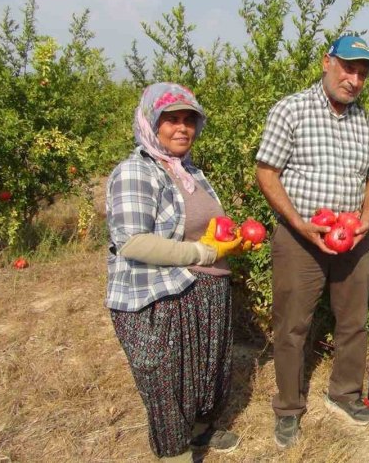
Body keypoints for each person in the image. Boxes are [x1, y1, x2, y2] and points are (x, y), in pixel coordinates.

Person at [255, 34, 369, 448]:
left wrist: (367, 219)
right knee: (292, 324)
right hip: (301, 237)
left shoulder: (367, 121)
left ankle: (345, 393)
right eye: (347, 67)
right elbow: (267, 172)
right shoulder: (292, 109)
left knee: (353, 320)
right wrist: (299, 224)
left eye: (362, 73)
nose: (353, 79)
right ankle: (288, 407)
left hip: (351, 238)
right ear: (326, 62)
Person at [105, 83, 244, 462]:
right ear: (151, 123)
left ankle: (200, 431)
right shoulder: (135, 171)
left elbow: (204, 227)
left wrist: (230, 242)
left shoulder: (189, 171)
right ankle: (175, 451)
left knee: (203, 373)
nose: (182, 128)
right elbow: (132, 241)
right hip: (161, 295)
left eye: (189, 120)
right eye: (171, 120)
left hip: (205, 287)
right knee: (168, 383)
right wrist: (202, 251)